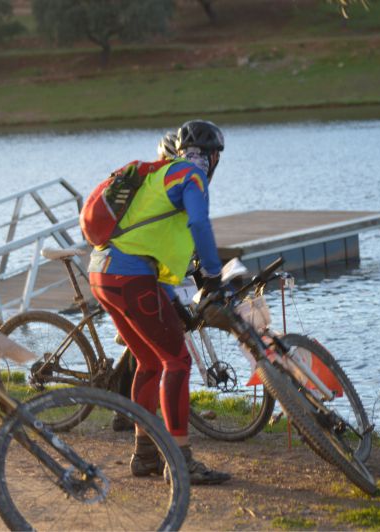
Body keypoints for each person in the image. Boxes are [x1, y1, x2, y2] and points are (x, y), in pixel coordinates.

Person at [89, 119, 231, 484]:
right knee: (177, 360)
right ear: (212, 156)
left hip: (103, 273)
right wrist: (214, 275)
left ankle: (145, 455)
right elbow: (200, 225)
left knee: (149, 361)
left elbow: (147, 239)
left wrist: (171, 296)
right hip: (129, 276)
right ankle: (180, 459)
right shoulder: (191, 177)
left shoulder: (160, 174)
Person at [111, 129, 179, 432]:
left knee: (144, 348)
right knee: (147, 349)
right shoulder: (154, 184)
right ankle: (125, 411)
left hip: (137, 267)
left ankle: (132, 413)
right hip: (130, 268)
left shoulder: (153, 180)